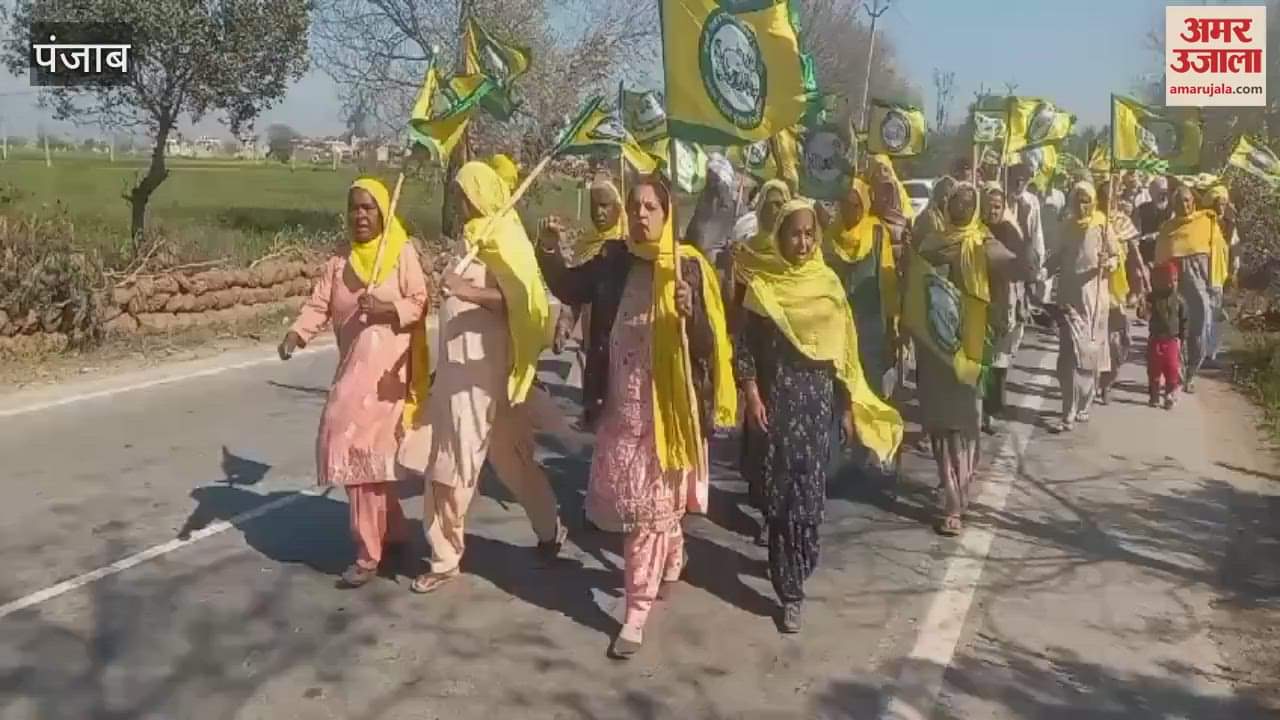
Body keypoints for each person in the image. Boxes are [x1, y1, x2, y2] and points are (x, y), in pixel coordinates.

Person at [537, 174, 736, 658]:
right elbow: (568, 285)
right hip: (619, 406)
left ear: (667, 214)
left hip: (667, 411)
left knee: (646, 512)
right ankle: (672, 552)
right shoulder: (613, 260)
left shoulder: (685, 267)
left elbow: (712, 348)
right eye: (635, 206)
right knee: (636, 506)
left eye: (651, 207)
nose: (641, 215)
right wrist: (548, 251)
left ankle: (635, 611)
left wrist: (691, 315)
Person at [735, 199, 902, 633]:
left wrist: (847, 408)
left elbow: (844, 355)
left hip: (818, 407)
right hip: (777, 408)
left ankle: (801, 560)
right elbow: (746, 349)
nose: (804, 241)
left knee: (809, 496)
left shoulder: (828, 285)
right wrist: (752, 395)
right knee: (778, 497)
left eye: (810, 234)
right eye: (795, 233)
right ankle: (789, 591)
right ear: (780, 236)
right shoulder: (763, 288)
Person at [397, 161, 564, 595]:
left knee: (513, 461)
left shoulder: (505, 238)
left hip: (494, 375)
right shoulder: (472, 238)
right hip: (460, 376)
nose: (460, 201)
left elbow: (523, 301)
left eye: (466, 193)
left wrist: (466, 289)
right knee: (448, 466)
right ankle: (445, 557)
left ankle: (550, 531)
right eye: (458, 194)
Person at [279, 178, 429, 588]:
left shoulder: (401, 253)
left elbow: (419, 301)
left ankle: (367, 554)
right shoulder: (339, 262)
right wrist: (297, 333)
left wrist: (386, 307)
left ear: (383, 213)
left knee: (360, 456)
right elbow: (319, 304)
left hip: (387, 377)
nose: (360, 216)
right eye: (354, 208)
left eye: (368, 208)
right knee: (368, 459)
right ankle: (393, 531)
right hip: (352, 371)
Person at [903, 182, 1034, 536]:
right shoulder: (930, 243)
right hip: (933, 352)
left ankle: (958, 495)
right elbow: (912, 284)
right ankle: (953, 496)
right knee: (942, 428)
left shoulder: (984, 244)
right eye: (956, 200)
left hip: (971, 349)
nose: (961, 205)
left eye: (967, 201)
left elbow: (1021, 270)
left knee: (966, 425)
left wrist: (1013, 234)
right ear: (947, 205)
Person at [1048, 181, 1116, 433]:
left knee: (1087, 358)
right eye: (1077, 200)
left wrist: (1107, 262)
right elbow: (1056, 256)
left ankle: (1084, 404)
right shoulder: (1066, 226)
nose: (1082, 205)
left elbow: (1117, 256)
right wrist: (1041, 271)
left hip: (1093, 300)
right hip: (1068, 298)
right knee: (1067, 357)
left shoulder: (1102, 224)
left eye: (1086, 200)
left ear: (1094, 201)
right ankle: (1068, 411)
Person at [824, 176, 899, 401]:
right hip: (838, 323)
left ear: (864, 205)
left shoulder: (876, 233)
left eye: (856, 205)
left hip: (871, 324)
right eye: (844, 205)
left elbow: (888, 282)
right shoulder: (830, 236)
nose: (850, 211)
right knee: (842, 386)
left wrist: (891, 324)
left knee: (871, 384)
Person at [1154, 183, 1223, 392]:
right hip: (1174, 290)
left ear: (1193, 202)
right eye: (1178, 201)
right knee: (1174, 332)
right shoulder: (1168, 228)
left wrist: (1215, 285)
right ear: (1173, 205)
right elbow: (1160, 259)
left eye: (1186, 200)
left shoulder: (1207, 223)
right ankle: (1176, 375)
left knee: (1198, 331)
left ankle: (1191, 372)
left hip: (1200, 290)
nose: (1183, 204)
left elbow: (1218, 254)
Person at [553, 176, 626, 362]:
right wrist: (566, 320)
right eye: (593, 206)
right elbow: (578, 291)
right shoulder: (585, 244)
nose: (598, 212)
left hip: (623, 347)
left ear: (618, 208)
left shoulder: (628, 246)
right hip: (593, 345)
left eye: (604, 205)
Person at [979, 183, 1027, 433]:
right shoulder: (974, 229)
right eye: (989, 206)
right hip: (977, 299)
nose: (993, 211)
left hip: (1004, 301)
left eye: (998, 207)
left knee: (998, 361)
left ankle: (991, 411)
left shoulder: (1009, 230)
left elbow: (1022, 266)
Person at [1096, 180, 1140, 405]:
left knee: (1118, 343)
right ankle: (1097, 384)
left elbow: (1135, 257)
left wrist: (1140, 287)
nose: (1107, 201)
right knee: (1096, 342)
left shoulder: (1123, 222)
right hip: (1094, 291)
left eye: (1111, 197)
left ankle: (1108, 380)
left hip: (1117, 293)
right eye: (1103, 196)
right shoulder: (1091, 222)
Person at [1205, 184, 1237, 366]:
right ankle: (1202, 351)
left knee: (1219, 314)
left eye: (1225, 204)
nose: (1223, 207)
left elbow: (1232, 248)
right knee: (1204, 314)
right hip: (1206, 274)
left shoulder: (1228, 225)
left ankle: (1211, 352)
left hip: (1220, 275)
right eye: (1220, 203)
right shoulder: (1206, 223)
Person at [1147, 261, 1187, 409]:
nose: (1172, 284)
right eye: (1169, 280)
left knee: (1172, 369)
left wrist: (1182, 338)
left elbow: (1184, 320)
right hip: (1155, 339)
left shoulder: (1180, 300)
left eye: (1176, 280)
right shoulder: (1152, 297)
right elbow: (1143, 313)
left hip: (1171, 340)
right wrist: (1143, 309)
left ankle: (1169, 395)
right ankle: (1154, 396)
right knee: (1153, 370)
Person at [1137, 176, 1173, 264]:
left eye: (1165, 192)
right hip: (1146, 256)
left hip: (1166, 257)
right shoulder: (1142, 209)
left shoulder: (1172, 209)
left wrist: (1154, 236)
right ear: (1151, 192)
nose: (1163, 196)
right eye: (1160, 192)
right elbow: (1136, 233)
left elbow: (1172, 231)